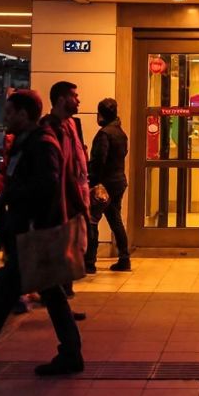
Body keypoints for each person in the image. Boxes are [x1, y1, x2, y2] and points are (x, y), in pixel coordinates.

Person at [0, 90, 85, 374]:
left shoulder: (42, 143)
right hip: (29, 231)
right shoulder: (28, 141)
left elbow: (47, 186)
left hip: (34, 233)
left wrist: (13, 193)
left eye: (9, 112)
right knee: (34, 293)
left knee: (15, 293)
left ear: (23, 114)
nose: (4, 118)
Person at [86, 97, 132, 273]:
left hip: (105, 184)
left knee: (92, 219)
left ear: (102, 114)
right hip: (119, 181)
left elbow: (99, 160)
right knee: (115, 220)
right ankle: (124, 258)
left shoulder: (105, 134)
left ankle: (89, 261)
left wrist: (92, 180)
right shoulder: (120, 132)